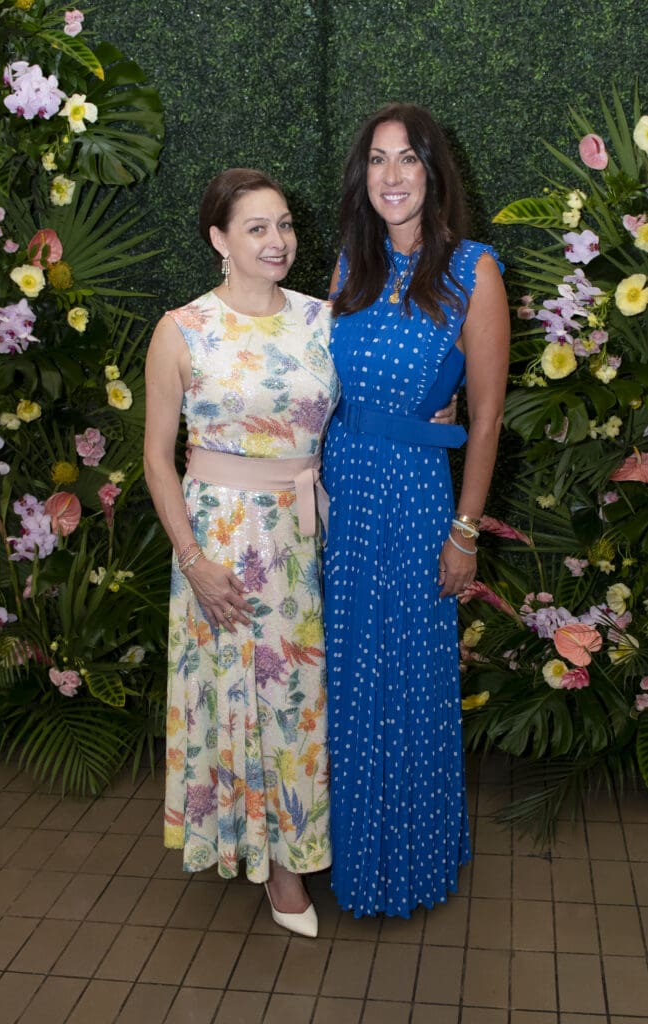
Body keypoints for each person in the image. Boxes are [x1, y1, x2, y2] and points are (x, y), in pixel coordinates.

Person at [322, 103, 510, 918]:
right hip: (339, 493)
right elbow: (320, 391)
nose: (390, 175)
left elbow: (489, 414)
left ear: (433, 173)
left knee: (407, 676)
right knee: (346, 675)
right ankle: (349, 848)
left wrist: (464, 531)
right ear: (361, 177)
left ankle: (413, 855)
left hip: (411, 498)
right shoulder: (346, 269)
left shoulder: (475, 269)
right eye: (375, 159)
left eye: (406, 159)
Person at [143, 168, 339, 938]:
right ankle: (247, 848)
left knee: (297, 699)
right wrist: (192, 560)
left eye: (284, 224)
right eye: (256, 227)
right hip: (217, 538)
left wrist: (440, 406)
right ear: (219, 240)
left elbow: (366, 411)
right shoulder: (182, 328)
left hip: (305, 533)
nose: (277, 240)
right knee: (230, 691)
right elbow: (159, 457)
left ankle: (293, 851)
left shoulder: (324, 320)